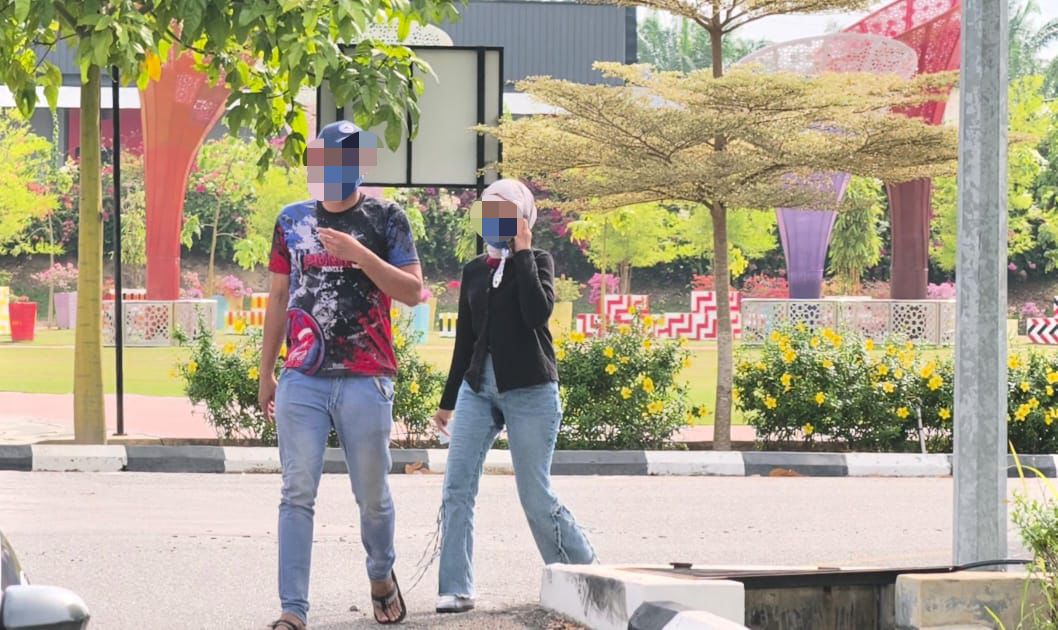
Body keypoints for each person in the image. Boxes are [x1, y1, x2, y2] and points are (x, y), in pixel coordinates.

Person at [258, 120, 423, 628]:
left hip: (366, 376)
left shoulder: (386, 218)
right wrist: (266, 372)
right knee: (296, 492)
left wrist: (360, 255)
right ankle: (293, 610)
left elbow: (413, 292)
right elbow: (279, 297)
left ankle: (381, 574)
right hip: (302, 376)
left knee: (372, 496)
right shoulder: (292, 220)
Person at [431, 179, 596, 613]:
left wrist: (521, 252)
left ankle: (586, 573)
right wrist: (448, 400)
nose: (494, 221)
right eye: (488, 211)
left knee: (534, 494)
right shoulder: (474, 270)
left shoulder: (538, 261)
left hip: (531, 388)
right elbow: (465, 341)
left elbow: (537, 314)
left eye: (505, 213)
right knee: (457, 486)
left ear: (524, 218)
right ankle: (456, 587)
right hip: (478, 390)